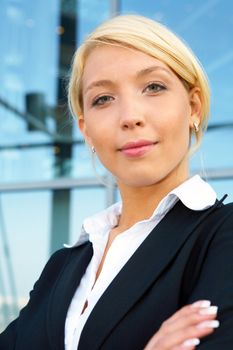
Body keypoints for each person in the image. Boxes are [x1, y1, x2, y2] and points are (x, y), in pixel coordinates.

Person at [0, 14, 233, 350]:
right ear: (86, 130)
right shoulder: (63, 266)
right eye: (103, 99)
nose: (129, 117)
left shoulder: (220, 237)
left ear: (194, 107)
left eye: (154, 87)